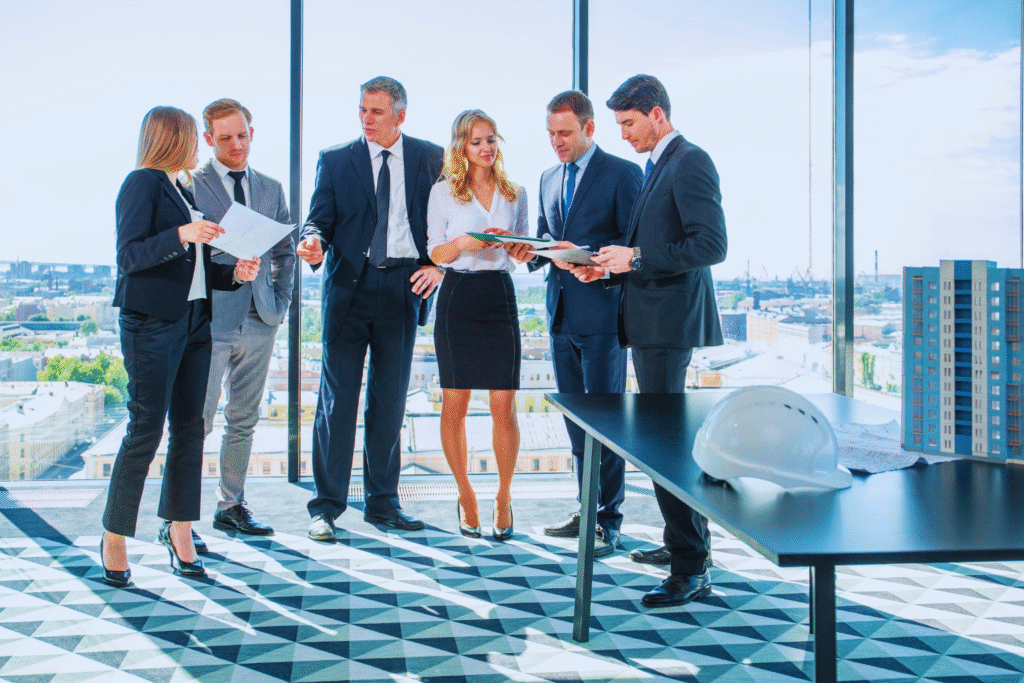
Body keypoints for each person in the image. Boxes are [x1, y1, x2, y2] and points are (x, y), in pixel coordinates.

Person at [580, 75, 727, 608]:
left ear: (657, 115)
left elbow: (711, 244)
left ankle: (691, 566)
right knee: (666, 441)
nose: (622, 134)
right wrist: (610, 268)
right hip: (652, 321)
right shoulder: (658, 165)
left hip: (668, 327)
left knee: (666, 446)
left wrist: (635, 257)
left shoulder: (689, 161)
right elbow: (655, 245)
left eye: (628, 123)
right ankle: (684, 545)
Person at [100, 106, 260, 587]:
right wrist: (182, 234)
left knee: (191, 427)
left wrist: (232, 271)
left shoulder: (181, 188)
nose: (199, 146)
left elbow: (189, 271)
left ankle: (180, 530)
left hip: (193, 322)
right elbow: (129, 257)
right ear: (170, 138)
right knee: (145, 429)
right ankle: (114, 537)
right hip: (151, 325)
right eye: (193, 137)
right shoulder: (142, 183)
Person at [296, 77, 444, 541]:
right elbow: (318, 217)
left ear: (400, 116)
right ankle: (326, 507)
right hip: (347, 289)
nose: (366, 119)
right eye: (362, 109)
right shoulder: (336, 159)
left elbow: (446, 224)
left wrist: (438, 268)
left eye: (377, 112)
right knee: (337, 402)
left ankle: (382, 503)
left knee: (389, 402)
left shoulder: (431, 158)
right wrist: (313, 240)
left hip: (403, 288)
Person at [528, 91, 641, 557]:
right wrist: (529, 250)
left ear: (589, 128)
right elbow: (544, 236)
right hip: (560, 314)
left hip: (603, 314)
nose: (557, 142)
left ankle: (608, 519)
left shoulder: (623, 173)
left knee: (605, 421)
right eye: (551, 133)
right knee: (577, 422)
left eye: (565, 133)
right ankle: (587, 507)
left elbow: (634, 245)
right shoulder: (548, 177)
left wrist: (592, 255)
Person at [427, 110, 531, 541]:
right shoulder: (442, 194)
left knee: (503, 406)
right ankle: (466, 494)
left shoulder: (515, 192)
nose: (486, 148)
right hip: (458, 299)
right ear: (461, 148)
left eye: (491, 140)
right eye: (476, 142)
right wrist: (464, 243)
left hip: (499, 297)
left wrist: (525, 253)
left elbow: (523, 251)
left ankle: (503, 497)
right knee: (455, 403)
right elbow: (435, 253)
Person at [193, 98, 294, 541]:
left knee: (244, 418)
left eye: (243, 135)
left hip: (261, 316)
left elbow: (285, 252)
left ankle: (230, 506)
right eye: (226, 138)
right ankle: (181, 518)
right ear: (208, 139)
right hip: (212, 317)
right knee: (197, 419)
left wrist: (281, 301)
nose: (237, 145)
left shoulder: (271, 188)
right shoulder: (192, 185)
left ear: (253, 132)